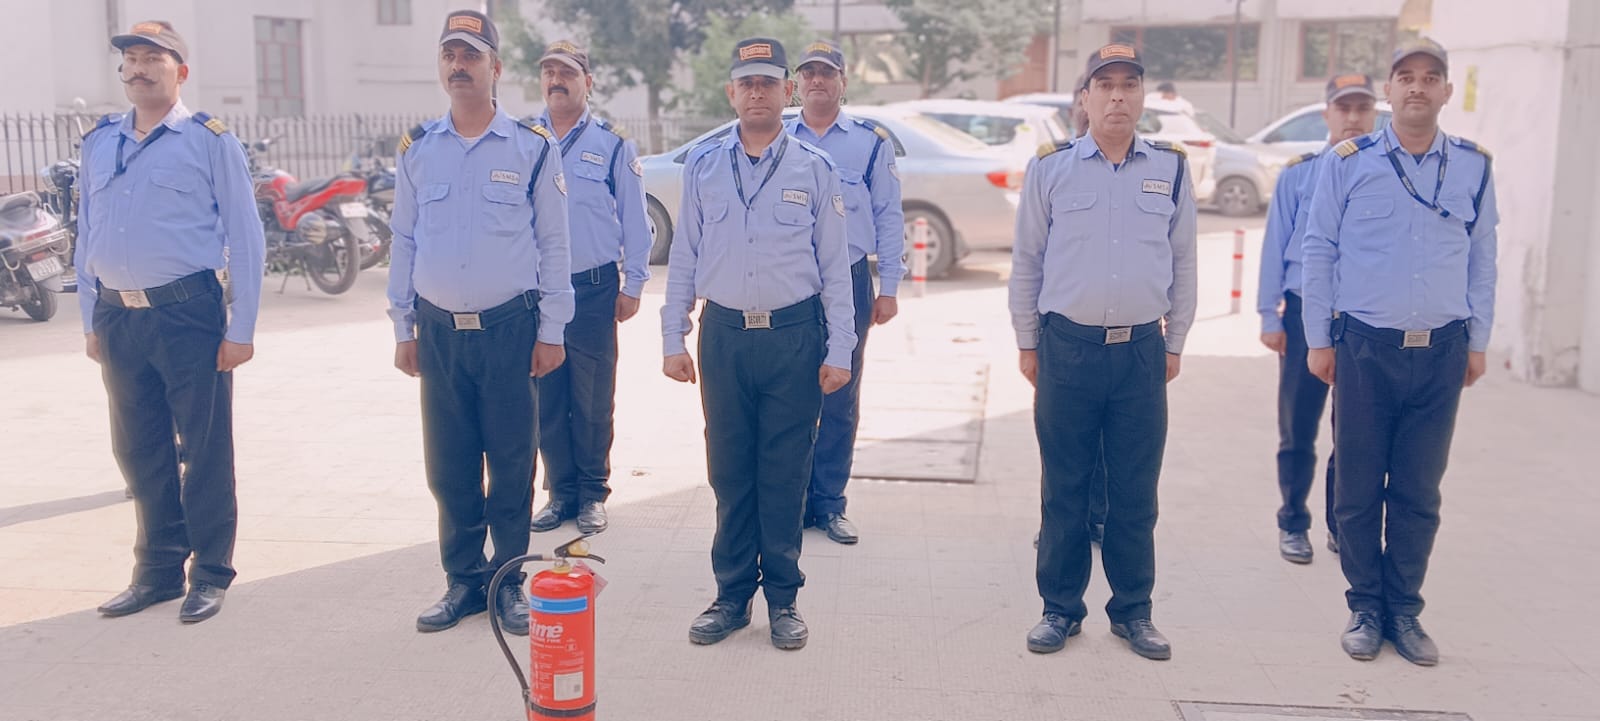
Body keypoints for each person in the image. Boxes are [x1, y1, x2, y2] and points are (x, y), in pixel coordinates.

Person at [1301, 37, 1497, 667]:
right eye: (1405, 77)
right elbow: (1319, 250)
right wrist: (1317, 338)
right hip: (1363, 346)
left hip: (1441, 350)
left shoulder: (1472, 166)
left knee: (1417, 489)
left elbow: (1483, 259)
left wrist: (1479, 339)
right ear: (1389, 91)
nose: (1417, 87)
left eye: (1430, 77)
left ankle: (1404, 610)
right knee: (1357, 488)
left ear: (1445, 90)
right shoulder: (1349, 160)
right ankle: (1364, 605)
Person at [661, 38, 855, 651]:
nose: (756, 92)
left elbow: (835, 267)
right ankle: (731, 595)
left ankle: (784, 600)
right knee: (729, 470)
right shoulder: (704, 166)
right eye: (746, 82)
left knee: (784, 472)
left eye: (768, 82)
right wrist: (674, 336)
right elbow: (685, 254)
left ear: (787, 91)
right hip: (723, 337)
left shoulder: (816, 170)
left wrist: (840, 348)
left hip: (794, 337)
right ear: (730, 92)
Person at [387, 9, 574, 636]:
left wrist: (553, 329)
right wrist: (402, 326)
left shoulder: (532, 147)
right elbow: (403, 241)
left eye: (470, 55)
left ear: (496, 67)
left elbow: (554, 244)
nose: (458, 65)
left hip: (509, 329)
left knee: (513, 460)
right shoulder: (418, 149)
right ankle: (463, 582)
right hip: (438, 332)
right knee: (450, 463)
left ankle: (508, 582)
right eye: (449, 55)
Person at [1011, 43, 1196, 661]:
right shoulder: (1052, 168)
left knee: (1135, 492)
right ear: (1084, 98)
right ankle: (1059, 610)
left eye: (1129, 85)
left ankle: (1133, 612)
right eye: (1105, 85)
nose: (1118, 96)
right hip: (1067, 348)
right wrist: (1027, 341)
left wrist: (1175, 341)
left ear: (1143, 97)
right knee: (1064, 487)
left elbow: (1185, 260)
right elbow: (1028, 263)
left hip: (1140, 351)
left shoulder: (1169, 167)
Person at [79, 20, 265, 625]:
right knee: (139, 448)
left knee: (205, 447)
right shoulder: (100, 141)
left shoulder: (210, 140)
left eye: (152, 58)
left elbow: (247, 237)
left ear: (180, 71)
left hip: (188, 313)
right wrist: (90, 318)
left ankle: (210, 572)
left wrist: (242, 329)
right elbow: (89, 235)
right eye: (130, 59)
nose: (138, 68)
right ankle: (157, 571)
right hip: (118, 314)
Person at [526, 40, 651, 536]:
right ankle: (560, 493)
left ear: (588, 82)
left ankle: (593, 492)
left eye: (567, 72)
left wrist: (635, 282)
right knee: (547, 395)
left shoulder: (613, 144)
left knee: (594, 396)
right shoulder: (523, 139)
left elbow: (636, 221)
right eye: (549, 71)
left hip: (595, 288)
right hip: (537, 292)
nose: (557, 79)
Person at [783, 39, 905, 545]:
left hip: (851, 280)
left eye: (826, 73)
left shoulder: (870, 142)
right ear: (796, 84)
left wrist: (890, 286)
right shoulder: (777, 136)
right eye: (808, 73)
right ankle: (791, 500)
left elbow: (889, 215)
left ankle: (829, 503)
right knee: (790, 394)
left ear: (842, 82)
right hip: (793, 283)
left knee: (840, 393)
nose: (817, 81)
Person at [1257, 73, 1379, 564]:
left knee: (1352, 430)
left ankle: (1338, 524)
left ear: (1374, 113)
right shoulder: (1299, 173)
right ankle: (1293, 521)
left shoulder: (1385, 172)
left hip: (1359, 316)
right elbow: (1273, 246)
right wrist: (1270, 315)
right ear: (1327, 113)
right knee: (1299, 424)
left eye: (1361, 108)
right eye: (1343, 108)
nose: (1352, 117)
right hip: (1304, 311)